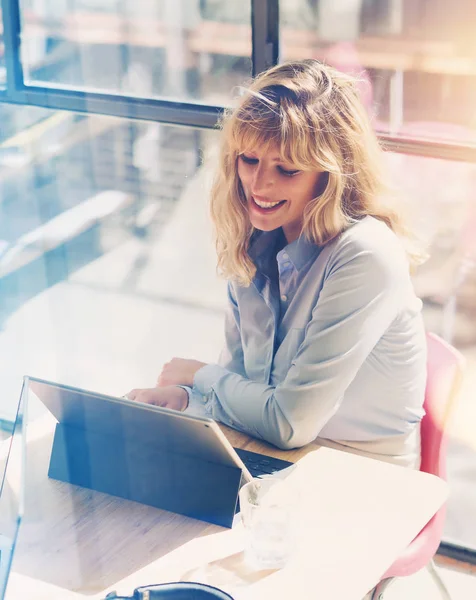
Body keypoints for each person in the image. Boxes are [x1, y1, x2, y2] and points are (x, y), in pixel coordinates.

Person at [126, 59, 427, 469]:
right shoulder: (256, 242)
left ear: (330, 176)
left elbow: (289, 422)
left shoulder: (365, 255)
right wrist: (188, 399)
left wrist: (200, 375)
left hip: (362, 471)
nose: (259, 185)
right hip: (273, 453)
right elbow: (245, 387)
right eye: (249, 160)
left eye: (286, 169)